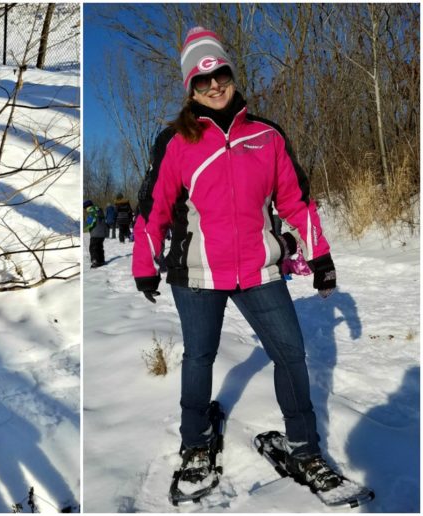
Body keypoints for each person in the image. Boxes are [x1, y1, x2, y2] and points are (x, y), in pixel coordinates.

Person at [132, 26, 342, 495]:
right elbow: (154, 209)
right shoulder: (174, 141)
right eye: (201, 80)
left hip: (259, 270)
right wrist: (144, 264)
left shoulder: (266, 135)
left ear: (231, 72)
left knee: (290, 354)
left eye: (219, 73)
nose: (213, 85)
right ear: (190, 87)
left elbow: (296, 202)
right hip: (197, 274)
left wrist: (320, 255)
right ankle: (195, 443)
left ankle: (304, 449)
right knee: (199, 358)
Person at [84, 200, 108, 268]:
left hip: (96, 233)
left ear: (86, 207)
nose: (85, 210)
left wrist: (84, 225)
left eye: (85, 208)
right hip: (102, 233)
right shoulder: (99, 210)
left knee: (93, 247)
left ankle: (95, 261)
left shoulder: (92, 212)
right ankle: (101, 260)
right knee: (99, 247)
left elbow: (89, 223)